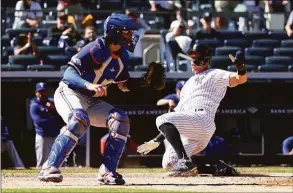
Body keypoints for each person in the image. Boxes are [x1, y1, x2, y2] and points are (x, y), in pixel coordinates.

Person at [37, 13, 165, 185]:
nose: (131, 36)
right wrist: (89, 85)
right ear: (115, 32)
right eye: (127, 32)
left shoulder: (122, 56)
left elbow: (123, 85)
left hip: (90, 100)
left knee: (121, 120)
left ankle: (107, 171)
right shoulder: (95, 48)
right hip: (69, 92)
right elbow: (69, 73)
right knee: (78, 118)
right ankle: (49, 167)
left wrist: (144, 82)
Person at [137, 43, 247, 177]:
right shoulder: (188, 84)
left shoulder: (215, 74)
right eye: (192, 58)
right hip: (192, 128)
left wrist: (241, 68)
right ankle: (216, 168)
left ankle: (185, 161)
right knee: (169, 162)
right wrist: (157, 140)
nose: (193, 61)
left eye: (197, 58)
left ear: (206, 60)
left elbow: (240, 79)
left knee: (162, 118)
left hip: (202, 119)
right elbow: (175, 117)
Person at [29, 82, 65, 168]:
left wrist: (53, 109)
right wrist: (52, 117)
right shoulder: (34, 105)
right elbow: (39, 121)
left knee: (57, 160)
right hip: (43, 136)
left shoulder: (52, 102)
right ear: (36, 93)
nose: (42, 94)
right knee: (41, 161)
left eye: (44, 91)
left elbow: (62, 115)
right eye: (40, 92)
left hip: (55, 135)